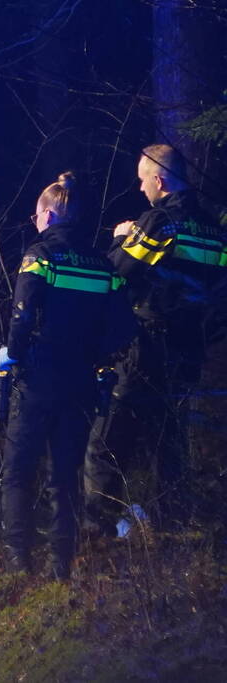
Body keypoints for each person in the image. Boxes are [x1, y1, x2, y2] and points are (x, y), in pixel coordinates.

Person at [0, 172, 135, 578]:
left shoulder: (39, 255)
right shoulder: (101, 262)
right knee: (65, 473)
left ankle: (18, 559)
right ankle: (61, 562)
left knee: (19, 469)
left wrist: (13, 356)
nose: (35, 220)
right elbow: (122, 327)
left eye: (38, 213)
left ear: (50, 213)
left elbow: (22, 314)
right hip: (81, 379)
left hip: (39, 376)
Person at [84, 144, 226, 532]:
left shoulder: (159, 222)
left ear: (159, 180)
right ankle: (173, 525)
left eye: (144, 180)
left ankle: (95, 526)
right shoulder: (214, 228)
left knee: (110, 434)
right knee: (170, 440)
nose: (142, 189)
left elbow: (116, 272)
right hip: (190, 348)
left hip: (147, 346)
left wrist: (119, 236)